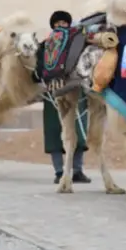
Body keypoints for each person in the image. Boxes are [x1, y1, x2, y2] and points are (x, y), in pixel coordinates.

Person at [41, 10, 90, 184]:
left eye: (64, 23)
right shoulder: (50, 44)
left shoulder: (51, 43)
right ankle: (64, 171)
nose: (61, 26)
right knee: (62, 133)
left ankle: (72, 170)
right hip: (63, 92)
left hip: (64, 91)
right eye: (58, 23)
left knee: (73, 132)